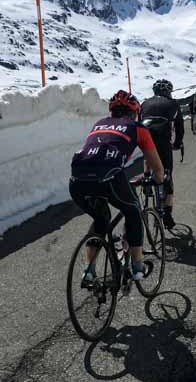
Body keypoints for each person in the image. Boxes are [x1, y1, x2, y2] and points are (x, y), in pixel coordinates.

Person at [70, 90, 165, 282]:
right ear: (135, 112)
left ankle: (88, 270)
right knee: (133, 212)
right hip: (109, 178)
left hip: (77, 181)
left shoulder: (99, 124)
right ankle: (138, 267)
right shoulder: (138, 128)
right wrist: (159, 179)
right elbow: (157, 167)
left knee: (100, 218)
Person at [140, 79, 185, 229]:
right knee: (167, 177)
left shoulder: (144, 103)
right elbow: (179, 127)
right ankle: (167, 213)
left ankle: (146, 177)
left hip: (146, 142)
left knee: (148, 155)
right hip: (164, 144)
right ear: (168, 91)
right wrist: (177, 143)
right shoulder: (173, 104)